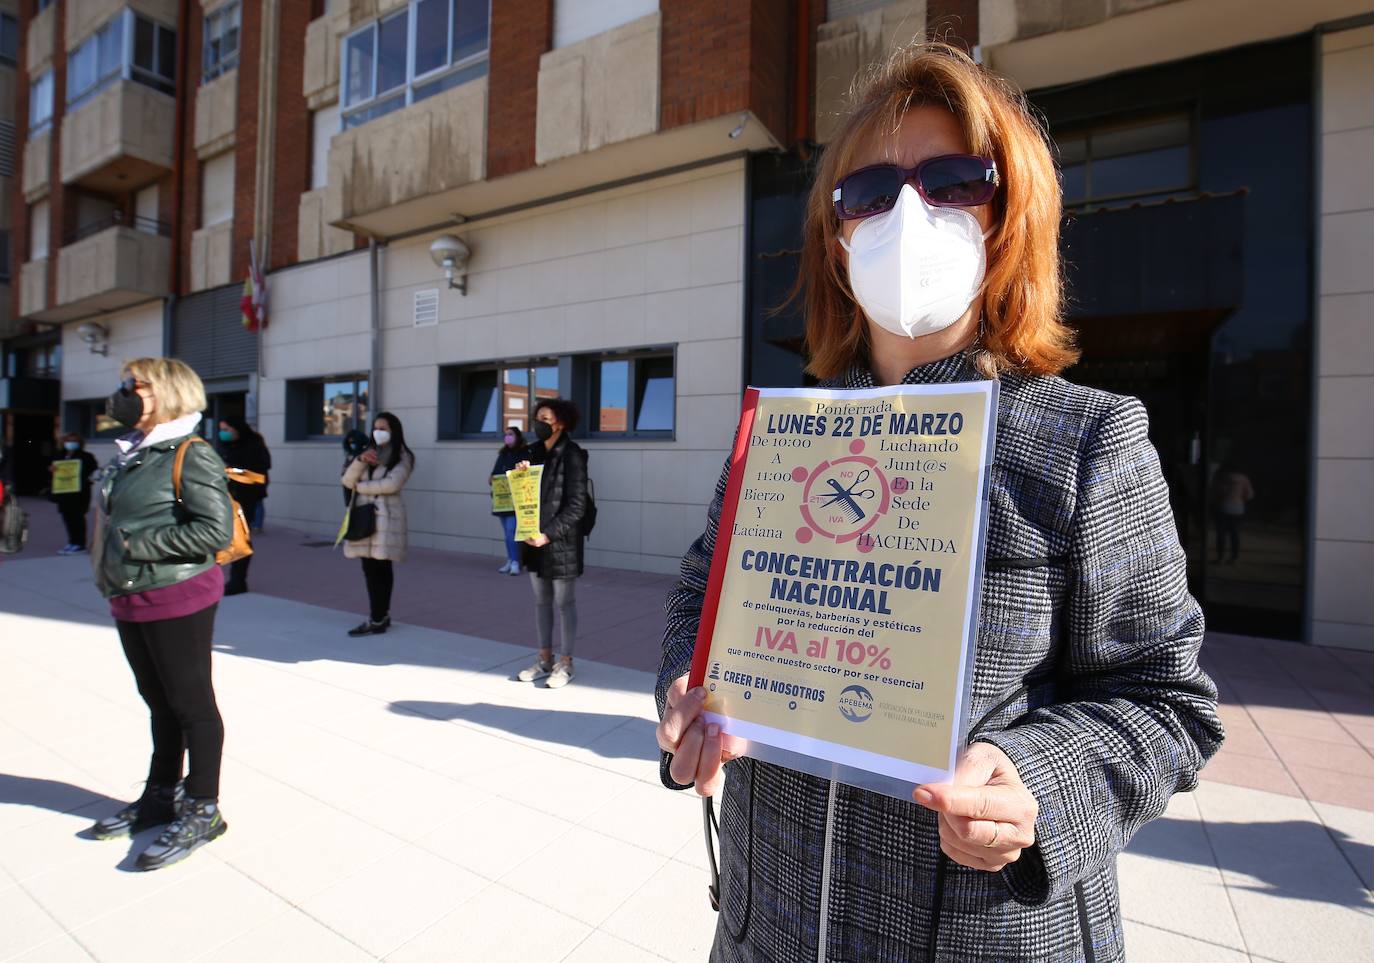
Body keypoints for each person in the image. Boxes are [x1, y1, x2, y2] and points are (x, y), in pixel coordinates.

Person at [654, 43, 1223, 962]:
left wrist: (1038, 778)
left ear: (1009, 217)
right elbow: (698, 594)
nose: (908, 212)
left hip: (982, 938)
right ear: (836, 236)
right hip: (769, 930)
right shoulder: (784, 433)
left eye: (956, 179)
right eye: (869, 192)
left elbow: (1165, 699)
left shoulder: (1084, 441)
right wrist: (687, 685)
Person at [86, 358, 235, 871]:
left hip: (177, 594)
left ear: (166, 392)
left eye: (135, 385)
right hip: (131, 594)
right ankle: (158, 798)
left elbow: (212, 533)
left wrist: (135, 543)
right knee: (158, 703)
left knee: (192, 705)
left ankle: (203, 808)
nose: (124, 393)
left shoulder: (192, 453)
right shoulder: (135, 452)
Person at [515, 399, 589, 689]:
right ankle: (544, 658)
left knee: (564, 602)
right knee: (541, 602)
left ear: (561, 422)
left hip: (561, 544)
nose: (539, 422)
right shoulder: (532, 452)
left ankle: (566, 662)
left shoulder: (573, 455)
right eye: (537, 417)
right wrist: (521, 474)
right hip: (533, 540)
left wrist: (548, 534)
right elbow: (523, 495)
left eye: (545, 417)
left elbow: (577, 506)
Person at [341, 412, 414, 636]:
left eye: (384, 428)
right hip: (364, 516)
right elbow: (346, 480)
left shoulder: (403, 456)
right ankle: (380, 615)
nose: (378, 432)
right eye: (376, 427)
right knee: (369, 569)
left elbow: (392, 484)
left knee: (381, 568)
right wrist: (361, 460)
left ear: (394, 431)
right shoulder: (366, 453)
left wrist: (361, 488)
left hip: (386, 518)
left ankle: (378, 617)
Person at [216, 416, 270, 595]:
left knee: (240, 539)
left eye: (227, 430)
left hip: (246, 498)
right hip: (226, 498)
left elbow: (258, 475)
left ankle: (238, 580)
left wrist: (231, 471)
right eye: (222, 429)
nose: (223, 434)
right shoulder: (227, 447)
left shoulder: (253, 445)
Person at [50, 433, 99, 554]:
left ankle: (80, 543)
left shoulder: (86, 456)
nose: (71, 443)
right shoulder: (59, 455)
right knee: (67, 518)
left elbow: (93, 470)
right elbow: (54, 471)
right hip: (64, 492)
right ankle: (72, 542)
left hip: (79, 493)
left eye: (74, 441)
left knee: (77, 518)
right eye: (68, 441)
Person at [490, 425, 525, 575]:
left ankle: (517, 561)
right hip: (501, 500)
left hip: (515, 499)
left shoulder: (523, 453)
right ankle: (510, 559)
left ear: (517, 437)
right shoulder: (502, 454)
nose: (508, 437)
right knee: (507, 533)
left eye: (511, 434)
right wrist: (491, 479)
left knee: (512, 530)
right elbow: (494, 473)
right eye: (506, 435)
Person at [1210, 463, 1254, 564]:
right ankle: (1234, 558)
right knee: (1235, 534)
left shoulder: (1222, 478)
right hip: (1238, 509)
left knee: (1221, 534)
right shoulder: (1243, 479)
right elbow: (1249, 495)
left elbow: (1214, 493)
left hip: (1223, 508)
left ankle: (1220, 557)